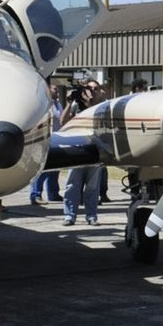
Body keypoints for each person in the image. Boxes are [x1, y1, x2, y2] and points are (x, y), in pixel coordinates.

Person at [60, 85, 99, 226]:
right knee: (72, 186)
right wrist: (69, 103)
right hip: (77, 150)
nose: (92, 92)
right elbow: (63, 122)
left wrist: (90, 102)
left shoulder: (101, 106)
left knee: (92, 187)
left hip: (95, 151)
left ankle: (91, 215)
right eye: (89, 89)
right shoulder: (76, 106)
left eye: (95, 89)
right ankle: (69, 215)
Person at [28, 79, 64, 205]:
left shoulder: (58, 105)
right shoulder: (44, 104)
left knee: (55, 169)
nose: (57, 91)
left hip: (56, 138)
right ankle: (36, 194)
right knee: (43, 169)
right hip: (44, 140)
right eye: (55, 89)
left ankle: (53, 193)